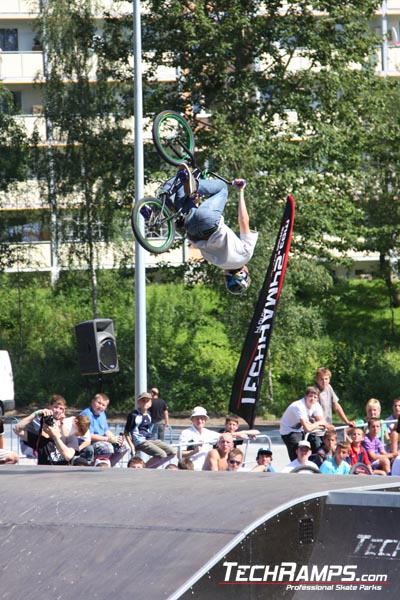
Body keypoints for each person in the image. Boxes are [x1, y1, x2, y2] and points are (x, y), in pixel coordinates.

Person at [166, 165, 258, 295]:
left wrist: (240, 192)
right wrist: (196, 205)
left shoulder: (246, 255)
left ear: (245, 272)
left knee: (222, 188)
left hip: (210, 222)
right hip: (191, 228)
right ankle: (158, 208)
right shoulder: (215, 261)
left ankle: (195, 184)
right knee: (180, 191)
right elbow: (200, 236)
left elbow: (243, 221)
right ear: (227, 277)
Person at [279, 386, 335, 460]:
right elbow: (308, 428)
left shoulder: (316, 405)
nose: (312, 399)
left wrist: (328, 426)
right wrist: (318, 424)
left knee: (312, 450)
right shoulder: (299, 406)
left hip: (301, 429)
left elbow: (323, 422)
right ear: (305, 396)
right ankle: (297, 468)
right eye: (310, 396)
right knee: (298, 452)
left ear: (318, 399)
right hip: (289, 430)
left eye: (315, 397)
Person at [124, 392, 176, 468]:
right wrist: (132, 446)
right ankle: (144, 468)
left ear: (150, 403)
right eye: (143, 401)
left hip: (149, 438)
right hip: (140, 441)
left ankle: (150, 467)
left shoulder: (149, 414)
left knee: (172, 452)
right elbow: (126, 432)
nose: (145, 403)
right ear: (139, 402)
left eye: (147, 401)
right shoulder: (133, 415)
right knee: (161, 454)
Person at [13, 408, 81, 466]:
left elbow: (68, 456)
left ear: (59, 423)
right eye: (46, 424)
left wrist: (55, 437)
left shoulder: (70, 438)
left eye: (53, 422)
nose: (51, 426)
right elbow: (16, 429)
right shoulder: (41, 441)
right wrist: (35, 414)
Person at [80, 392, 126, 466]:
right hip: (88, 442)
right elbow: (88, 435)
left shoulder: (102, 414)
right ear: (92, 402)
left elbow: (106, 430)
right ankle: (93, 467)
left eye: (103, 405)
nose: (100, 406)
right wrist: (107, 439)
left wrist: (115, 438)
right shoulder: (86, 414)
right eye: (99, 403)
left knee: (124, 447)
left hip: (102, 440)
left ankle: (107, 466)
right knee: (108, 448)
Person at [178, 406, 219, 470]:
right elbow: (179, 454)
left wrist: (237, 433)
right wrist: (195, 451)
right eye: (197, 418)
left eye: (202, 418)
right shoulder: (186, 433)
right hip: (191, 469)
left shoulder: (209, 433)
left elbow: (224, 436)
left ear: (205, 420)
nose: (200, 421)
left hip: (206, 468)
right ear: (192, 420)